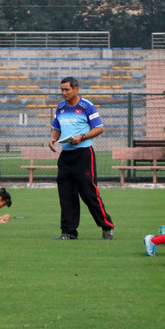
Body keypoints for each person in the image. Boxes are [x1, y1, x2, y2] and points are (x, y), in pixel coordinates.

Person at [47, 77, 114, 240]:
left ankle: (107, 227)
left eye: (66, 90)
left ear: (76, 89)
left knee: (89, 193)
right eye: (61, 90)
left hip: (83, 155)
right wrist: (53, 138)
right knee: (66, 194)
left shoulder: (87, 106)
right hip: (66, 157)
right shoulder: (60, 107)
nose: (63, 93)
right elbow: (56, 127)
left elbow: (99, 128)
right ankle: (69, 232)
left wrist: (82, 136)